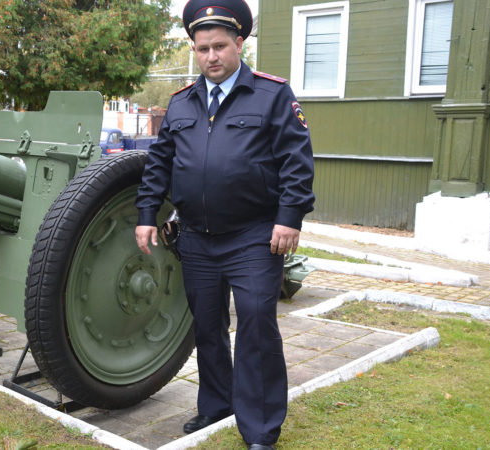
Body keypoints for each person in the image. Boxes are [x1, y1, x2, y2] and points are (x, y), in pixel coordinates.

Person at [134, 1, 315, 448]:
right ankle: (216, 405)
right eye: (202, 49)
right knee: (207, 326)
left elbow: (297, 162)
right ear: (194, 50)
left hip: (254, 236)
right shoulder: (180, 103)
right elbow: (159, 165)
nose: (211, 56)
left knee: (256, 322)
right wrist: (145, 216)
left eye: (219, 46)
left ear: (239, 43)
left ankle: (260, 428)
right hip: (196, 237)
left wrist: (289, 218)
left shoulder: (272, 95)